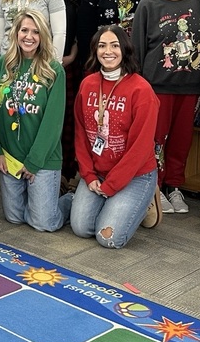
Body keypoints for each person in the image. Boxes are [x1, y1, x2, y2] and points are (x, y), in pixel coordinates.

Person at [131, 0, 200, 214]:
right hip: (156, 87)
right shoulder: (149, 4)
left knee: (181, 140)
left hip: (191, 86)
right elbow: (137, 49)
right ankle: (156, 187)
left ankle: (174, 186)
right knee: (155, 141)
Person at [69, 25, 161, 248]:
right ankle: (100, 204)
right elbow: (81, 134)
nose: (107, 51)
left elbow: (140, 149)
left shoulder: (142, 90)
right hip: (98, 172)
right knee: (81, 228)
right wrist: (89, 176)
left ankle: (148, 200)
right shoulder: (87, 84)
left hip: (135, 175)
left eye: (114, 45)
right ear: (95, 50)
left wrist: (112, 186)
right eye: (102, 46)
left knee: (108, 237)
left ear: (125, 49)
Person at [0, 9, 66, 232]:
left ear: (43, 36)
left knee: (43, 222)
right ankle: (42, 199)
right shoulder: (3, 64)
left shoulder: (53, 69)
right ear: (16, 33)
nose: (29, 36)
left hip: (42, 158)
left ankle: (69, 202)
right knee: (14, 217)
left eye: (35, 32)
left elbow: (53, 122)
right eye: (24, 30)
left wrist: (34, 161)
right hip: (10, 156)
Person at [42, 0, 86, 188]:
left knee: (65, 119)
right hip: (37, 63)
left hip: (68, 63)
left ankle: (64, 174)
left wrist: (70, 56)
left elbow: (80, 29)